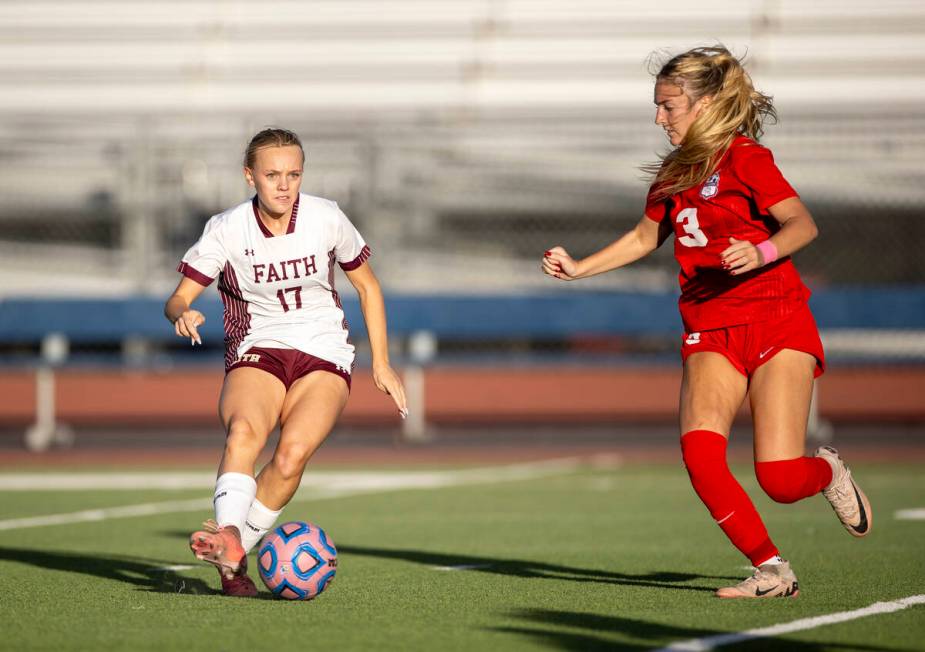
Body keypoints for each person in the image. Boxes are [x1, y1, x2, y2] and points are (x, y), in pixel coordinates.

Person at [542, 46, 871, 599]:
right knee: (700, 454)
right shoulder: (675, 172)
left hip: (775, 320)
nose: (658, 117)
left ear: (705, 103)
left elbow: (802, 225)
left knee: (781, 480)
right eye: (656, 106)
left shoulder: (746, 158)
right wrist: (579, 268)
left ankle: (828, 472)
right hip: (710, 327)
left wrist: (762, 252)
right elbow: (646, 238)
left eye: (668, 105)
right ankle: (772, 570)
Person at [165, 128, 408, 597]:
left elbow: (369, 287)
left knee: (292, 455)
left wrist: (382, 363)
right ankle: (231, 539)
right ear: (249, 176)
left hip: (325, 352)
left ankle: (232, 558)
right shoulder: (227, 228)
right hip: (258, 346)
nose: (284, 185)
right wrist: (183, 313)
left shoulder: (326, 217)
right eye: (272, 174)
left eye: (293, 174)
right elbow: (177, 298)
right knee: (244, 432)